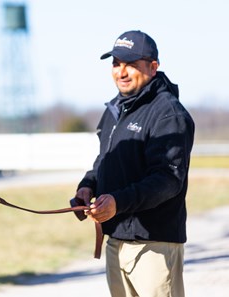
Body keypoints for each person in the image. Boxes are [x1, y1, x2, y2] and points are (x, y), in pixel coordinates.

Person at [71, 30, 194, 297]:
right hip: (115, 242)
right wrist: (87, 186)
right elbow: (104, 160)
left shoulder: (169, 113)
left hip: (154, 246)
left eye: (131, 64)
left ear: (153, 67)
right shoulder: (114, 110)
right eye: (116, 64)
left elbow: (167, 180)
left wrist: (117, 202)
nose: (121, 72)